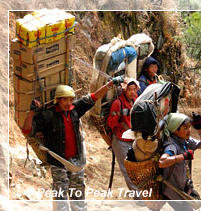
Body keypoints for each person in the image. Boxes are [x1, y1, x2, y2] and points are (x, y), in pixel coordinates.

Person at [22, 76, 124, 211]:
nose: (68, 103)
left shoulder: (75, 109)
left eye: (70, 99)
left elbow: (93, 97)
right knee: (61, 197)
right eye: (65, 99)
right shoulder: (48, 116)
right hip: (58, 162)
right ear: (57, 100)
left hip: (76, 161)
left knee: (78, 196)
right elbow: (27, 130)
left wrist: (109, 85)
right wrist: (31, 112)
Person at [158, 112, 201, 211]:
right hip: (174, 192)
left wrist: (199, 129)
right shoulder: (172, 145)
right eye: (185, 128)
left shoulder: (185, 141)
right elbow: (162, 162)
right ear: (175, 131)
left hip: (184, 189)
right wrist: (183, 156)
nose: (189, 130)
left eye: (189, 127)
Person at [106, 77, 141, 199]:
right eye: (130, 89)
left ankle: (142, 193)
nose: (132, 92)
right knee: (128, 170)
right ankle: (138, 197)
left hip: (134, 140)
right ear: (124, 90)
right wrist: (118, 116)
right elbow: (110, 122)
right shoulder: (118, 103)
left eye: (134, 89)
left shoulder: (136, 101)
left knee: (138, 167)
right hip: (121, 141)